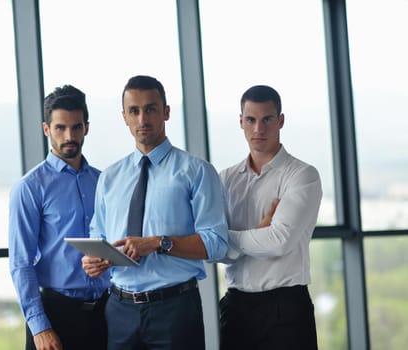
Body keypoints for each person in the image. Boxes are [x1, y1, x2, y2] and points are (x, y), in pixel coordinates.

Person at [82, 75, 229, 350]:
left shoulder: (196, 171)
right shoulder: (110, 177)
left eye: (150, 109)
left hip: (174, 310)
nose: (142, 119)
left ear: (166, 112)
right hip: (119, 310)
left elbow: (217, 243)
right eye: (134, 111)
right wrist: (95, 260)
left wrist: (156, 243)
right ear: (124, 117)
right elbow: (98, 234)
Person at [219, 85, 322, 350]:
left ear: (281, 121)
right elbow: (214, 251)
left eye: (267, 119)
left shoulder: (302, 175)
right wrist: (258, 232)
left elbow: (279, 241)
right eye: (251, 120)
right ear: (240, 121)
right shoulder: (226, 179)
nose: (258, 129)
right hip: (236, 307)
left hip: (286, 309)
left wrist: (227, 238)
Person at [9, 85, 110, 350]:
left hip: (105, 314)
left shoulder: (103, 182)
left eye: (76, 127)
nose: (69, 136)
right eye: (60, 128)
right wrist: (40, 327)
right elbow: (21, 262)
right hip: (56, 314)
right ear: (46, 129)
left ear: (86, 127)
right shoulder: (30, 187)